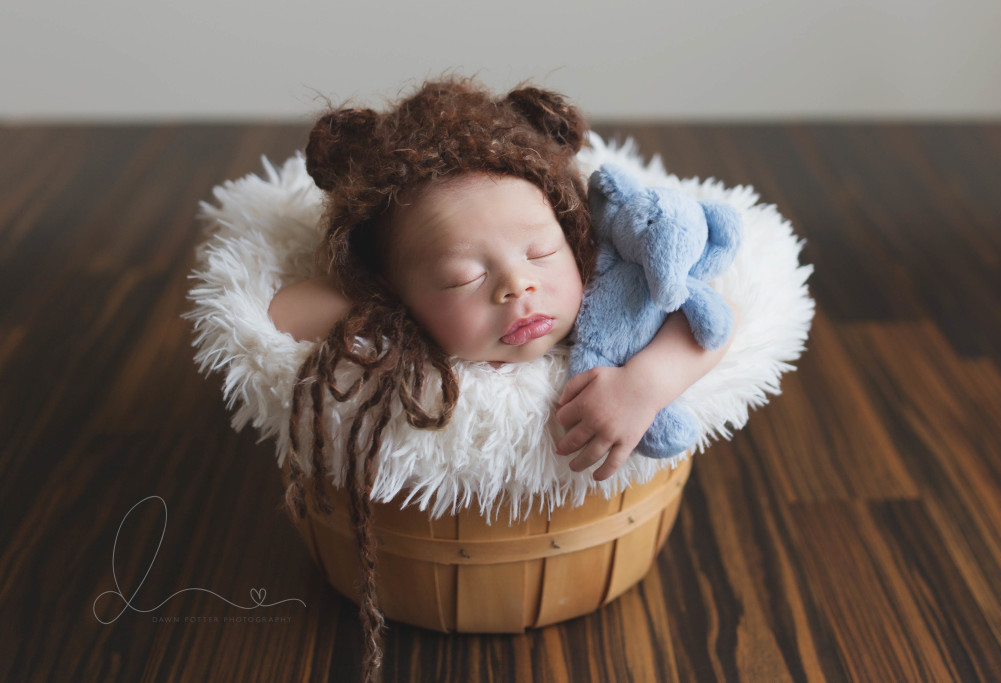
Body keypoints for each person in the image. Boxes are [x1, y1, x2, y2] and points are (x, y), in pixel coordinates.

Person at [270, 74, 732, 682]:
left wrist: (643, 385)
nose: (517, 285)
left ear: (574, 240)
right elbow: (281, 314)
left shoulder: (603, 291)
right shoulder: (403, 312)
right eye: (462, 278)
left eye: (541, 253)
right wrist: (383, 302)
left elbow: (712, 323)